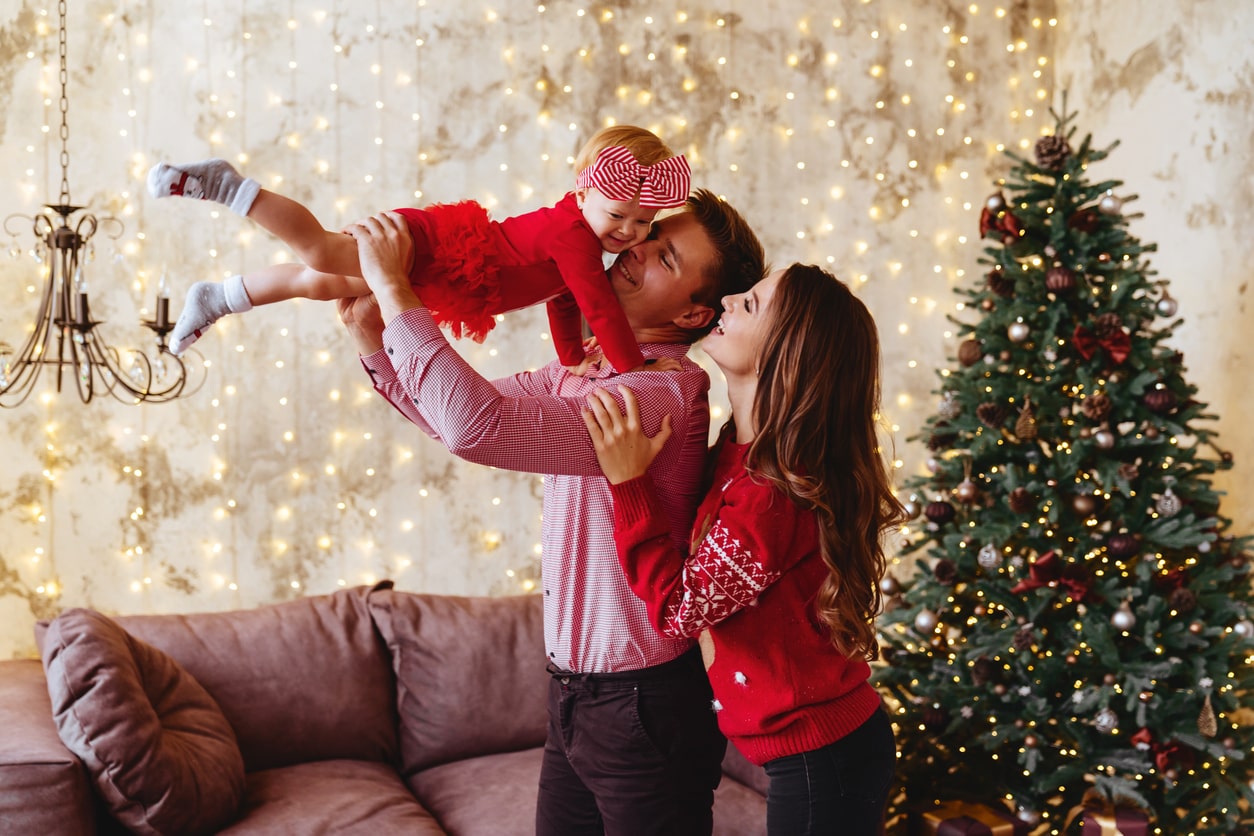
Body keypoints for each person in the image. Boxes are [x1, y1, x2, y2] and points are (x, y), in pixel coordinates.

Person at [339, 192, 766, 836]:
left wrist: (398, 292)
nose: (635, 248)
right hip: (574, 694)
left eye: (665, 256)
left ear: (694, 312)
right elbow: (456, 413)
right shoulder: (585, 372)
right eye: (648, 235)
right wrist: (372, 336)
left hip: (642, 706)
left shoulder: (662, 394)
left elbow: (472, 426)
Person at [579, 263, 905, 836]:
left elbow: (681, 610)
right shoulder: (737, 450)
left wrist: (629, 485)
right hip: (813, 750)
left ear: (788, 354)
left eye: (751, 305)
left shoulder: (772, 494)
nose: (729, 298)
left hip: (823, 757)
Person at [147, 124, 690, 373]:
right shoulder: (573, 235)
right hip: (433, 252)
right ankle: (226, 186)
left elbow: (565, 301)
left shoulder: (583, 248)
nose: (629, 233)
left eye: (644, 223)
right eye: (618, 216)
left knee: (318, 284)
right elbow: (597, 306)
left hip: (439, 272)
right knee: (318, 253)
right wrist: (631, 367)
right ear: (582, 192)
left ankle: (218, 298)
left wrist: (572, 356)